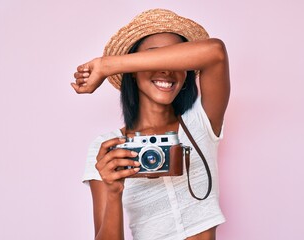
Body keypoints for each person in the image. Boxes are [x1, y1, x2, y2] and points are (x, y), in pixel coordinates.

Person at [72, 8, 230, 240]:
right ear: (132, 71)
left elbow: (215, 52)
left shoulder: (200, 123)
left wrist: (107, 66)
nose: (167, 69)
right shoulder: (108, 147)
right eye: (155, 56)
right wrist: (114, 192)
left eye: (176, 58)